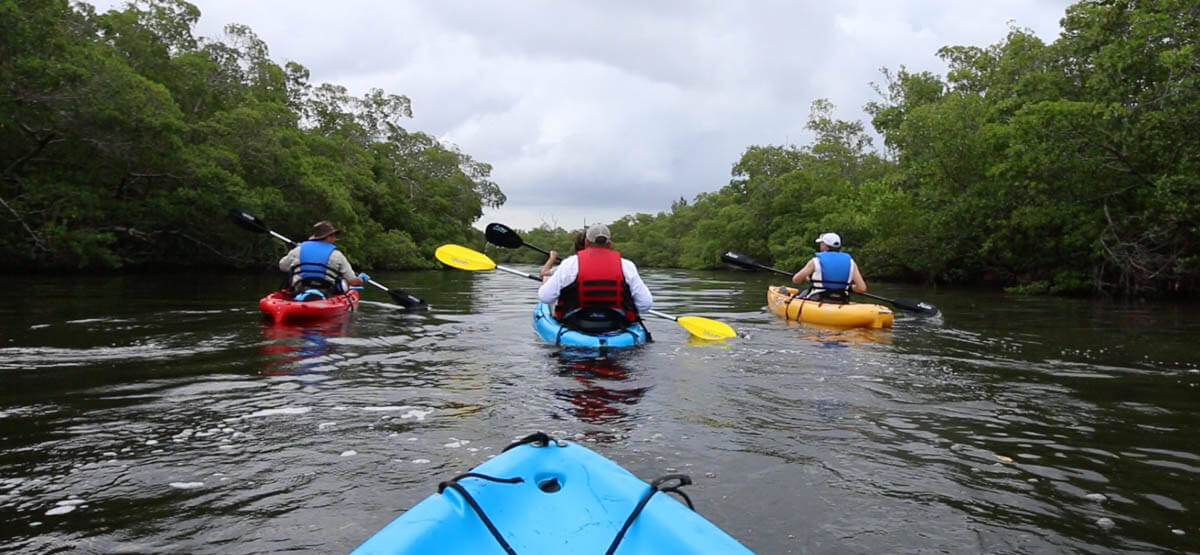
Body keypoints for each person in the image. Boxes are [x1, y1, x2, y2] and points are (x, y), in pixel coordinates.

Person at [537, 224, 653, 332]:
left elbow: (545, 297)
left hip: (576, 324)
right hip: (616, 325)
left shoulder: (569, 264)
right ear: (609, 244)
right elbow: (645, 305)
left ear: (586, 242)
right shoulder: (627, 266)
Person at [278, 220, 368, 300]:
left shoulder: (299, 249)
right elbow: (353, 281)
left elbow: (282, 266)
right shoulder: (337, 255)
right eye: (333, 235)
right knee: (341, 284)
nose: (334, 238)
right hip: (326, 293)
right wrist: (361, 279)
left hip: (299, 290)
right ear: (328, 237)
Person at [791, 232, 867, 302]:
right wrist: (850, 288)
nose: (820, 245)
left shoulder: (815, 261)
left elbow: (796, 280)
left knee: (803, 293)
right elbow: (862, 288)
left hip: (819, 299)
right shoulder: (851, 262)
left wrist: (807, 278)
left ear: (825, 245)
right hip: (842, 299)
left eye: (821, 243)